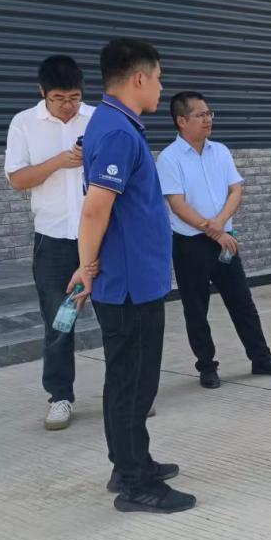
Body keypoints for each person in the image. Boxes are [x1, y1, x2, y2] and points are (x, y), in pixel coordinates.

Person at [66, 38, 194, 514]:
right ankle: (135, 483)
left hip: (137, 279)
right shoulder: (118, 131)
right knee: (130, 382)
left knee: (137, 381)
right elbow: (95, 209)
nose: (160, 87)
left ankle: (132, 462)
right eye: (158, 78)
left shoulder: (114, 124)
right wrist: (86, 268)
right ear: (139, 78)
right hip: (127, 286)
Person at [157, 92, 271, 387]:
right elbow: (177, 205)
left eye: (209, 114)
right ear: (181, 121)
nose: (207, 119)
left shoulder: (220, 151)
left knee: (242, 301)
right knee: (196, 308)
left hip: (225, 240)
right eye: (200, 115)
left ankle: (261, 359)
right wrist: (215, 230)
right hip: (191, 244)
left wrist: (220, 227)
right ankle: (207, 366)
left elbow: (236, 190)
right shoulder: (169, 158)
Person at [4, 55, 95, 431]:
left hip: (101, 237)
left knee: (116, 317)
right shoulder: (24, 123)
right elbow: (17, 179)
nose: (68, 106)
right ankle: (60, 397)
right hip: (53, 240)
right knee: (58, 322)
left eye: (74, 97)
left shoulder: (98, 119)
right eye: (59, 98)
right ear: (42, 92)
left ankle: (128, 392)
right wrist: (58, 161)